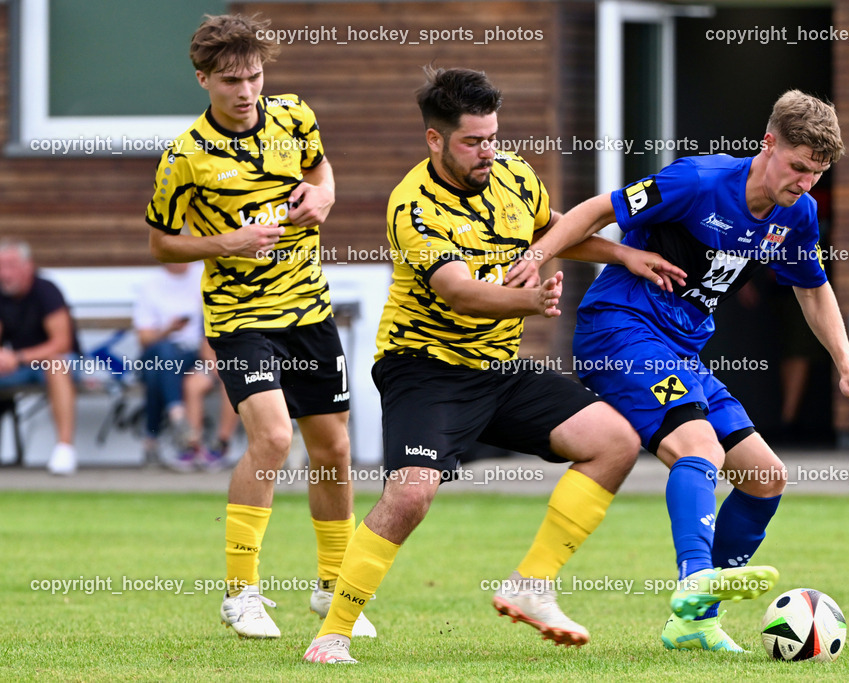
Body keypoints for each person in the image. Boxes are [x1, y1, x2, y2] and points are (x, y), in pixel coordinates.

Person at [303, 67, 684, 665]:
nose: (488, 152)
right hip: (423, 368)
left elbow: (554, 233)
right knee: (410, 496)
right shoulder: (413, 205)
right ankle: (333, 632)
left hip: (498, 369)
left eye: (493, 138)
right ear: (435, 140)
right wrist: (527, 302)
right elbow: (460, 292)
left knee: (614, 439)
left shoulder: (513, 175)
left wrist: (624, 254)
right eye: (473, 142)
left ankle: (532, 585)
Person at [516, 90, 849, 652]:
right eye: (798, 167)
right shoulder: (698, 182)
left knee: (765, 478)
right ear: (768, 145)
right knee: (699, 447)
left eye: (818, 173)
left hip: (682, 350)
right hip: (622, 329)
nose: (805, 184)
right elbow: (594, 211)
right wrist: (535, 258)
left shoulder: (797, 213)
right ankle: (694, 579)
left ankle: (693, 621)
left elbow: (812, 289)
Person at [144, 13, 373, 640]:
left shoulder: (295, 116)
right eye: (230, 80)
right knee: (272, 439)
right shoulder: (185, 156)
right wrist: (229, 241)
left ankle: (331, 589)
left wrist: (324, 195)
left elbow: (321, 172)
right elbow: (163, 244)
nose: (246, 92)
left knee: (333, 449)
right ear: (203, 80)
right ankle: (241, 593)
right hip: (240, 317)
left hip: (309, 308)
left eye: (254, 77)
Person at [133, 262, 239, 470]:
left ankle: (217, 444)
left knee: (222, 377)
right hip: (174, 355)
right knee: (165, 354)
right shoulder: (151, 286)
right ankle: (192, 446)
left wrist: (217, 363)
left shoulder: (207, 275)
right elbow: (144, 339)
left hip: (203, 356)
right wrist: (169, 329)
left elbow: (209, 337)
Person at [0, 239, 79, 475]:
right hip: (18, 367)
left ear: (28, 266)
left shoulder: (46, 291)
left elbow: (61, 343)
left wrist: (20, 356)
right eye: (1, 266)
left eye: (11, 265)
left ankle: (64, 449)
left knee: (55, 364)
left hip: (61, 364)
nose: (5, 273)